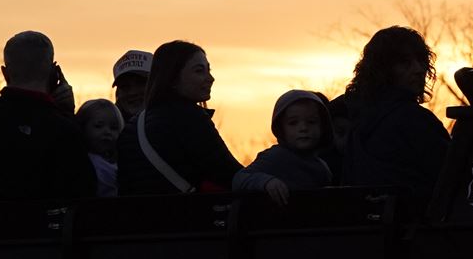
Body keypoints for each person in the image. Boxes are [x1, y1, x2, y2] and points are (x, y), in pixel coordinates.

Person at [112, 40, 289, 201]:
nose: (210, 78)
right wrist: (267, 180)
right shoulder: (188, 116)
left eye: (208, 70)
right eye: (199, 71)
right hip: (185, 224)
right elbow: (229, 173)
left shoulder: (132, 126)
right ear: (172, 78)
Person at [0, 30, 99, 202]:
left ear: (5, 73)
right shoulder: (64, 127)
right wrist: (67, 113)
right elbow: (85, 188)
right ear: (54, 72)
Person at [337, 27, 453, 201]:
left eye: (421, 61)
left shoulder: (353, 115)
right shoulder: (415, 119)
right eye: (405, 63)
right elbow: (451, 178)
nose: (418, 69)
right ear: (383, 70)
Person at [238, 90, 336, 196]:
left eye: (311, 122)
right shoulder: (275, 156)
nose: (303, 128)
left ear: (323, 127)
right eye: (293, 123)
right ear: (281, 129)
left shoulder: (323, 168)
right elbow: (240, 178)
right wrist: (267, 182)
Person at [75, 98, 124, 197]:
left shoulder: (121, 162)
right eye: (98, 126)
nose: (107, 132)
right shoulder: (83, 164)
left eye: (113, 128)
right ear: (83, 127)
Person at [111, 50, 154, 122]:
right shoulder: (109, 128)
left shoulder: (175, 120)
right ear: (117, 92)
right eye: (125, 86)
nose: (132, 92)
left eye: (140, 83)